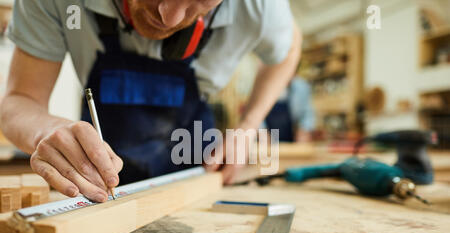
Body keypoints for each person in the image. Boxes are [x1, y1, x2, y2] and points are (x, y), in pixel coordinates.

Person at [0, 0, 301, 203]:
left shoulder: (261, 7)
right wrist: (44, 129)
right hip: (100, 190)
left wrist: (248, 126)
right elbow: (19, 101)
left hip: (196, 177)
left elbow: (288, 51)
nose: (169, 17)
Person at [264, 76, 315, 143]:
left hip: (290, 136)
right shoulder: (264, 86)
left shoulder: (301, 86)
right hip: (268, 137)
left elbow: (307, 113)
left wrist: (304, 130)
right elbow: (256, 113)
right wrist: (262, 132)